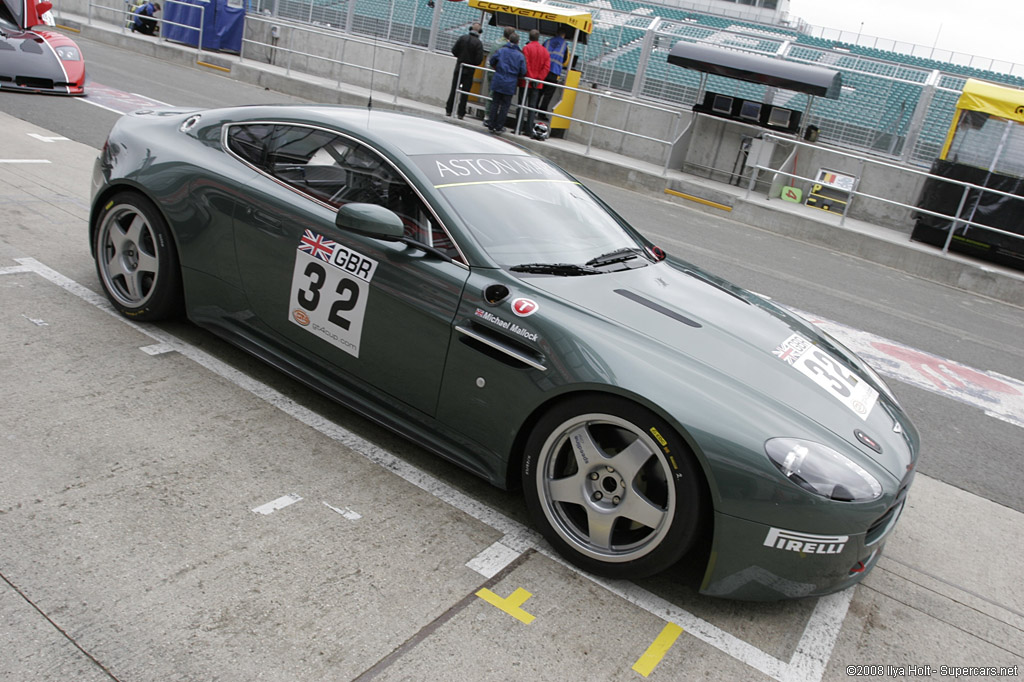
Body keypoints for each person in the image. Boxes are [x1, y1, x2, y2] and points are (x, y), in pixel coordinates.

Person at [486, 31, 526, 134]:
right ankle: (499, 126)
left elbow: (492, 61)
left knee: (495, 103)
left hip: (498, 80)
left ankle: (491, 124)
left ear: (509, 40)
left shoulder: (501, 50)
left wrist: (497, 69)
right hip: (510, 83)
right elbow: (523, 71)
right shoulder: (520, 55)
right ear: (518, 42)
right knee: (505, 106)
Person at [446, 23, 484, 119]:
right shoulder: (478, 43)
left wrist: (461, 58)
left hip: (459, 68)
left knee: (454, 89)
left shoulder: (462, 38)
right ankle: (461, 113)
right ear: (479, 32)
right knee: (465, 93)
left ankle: (449, 110)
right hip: (470, 71)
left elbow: (454, 51)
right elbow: (479, 60)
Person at [520, 29, 550, 137]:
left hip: (526, 82)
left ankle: (518, 128)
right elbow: (546, 68)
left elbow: (525, 64)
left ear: (529, 37)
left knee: (522, 105)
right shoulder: (545, 51)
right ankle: (529, 130)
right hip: (537, 84)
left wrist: (530, 77)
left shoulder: (526, 48)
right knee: (532, 107)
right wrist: (538, 79)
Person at [538, 27, 569, 120]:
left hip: (543, 71)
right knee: (548, 95)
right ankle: (542, 113)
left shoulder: (547, 42)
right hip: (554, 72)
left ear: (556, 33)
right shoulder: (565, 45)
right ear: (564, 35)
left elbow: (540, 53)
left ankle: (532, 110)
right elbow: (565, 61)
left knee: (539, 91)